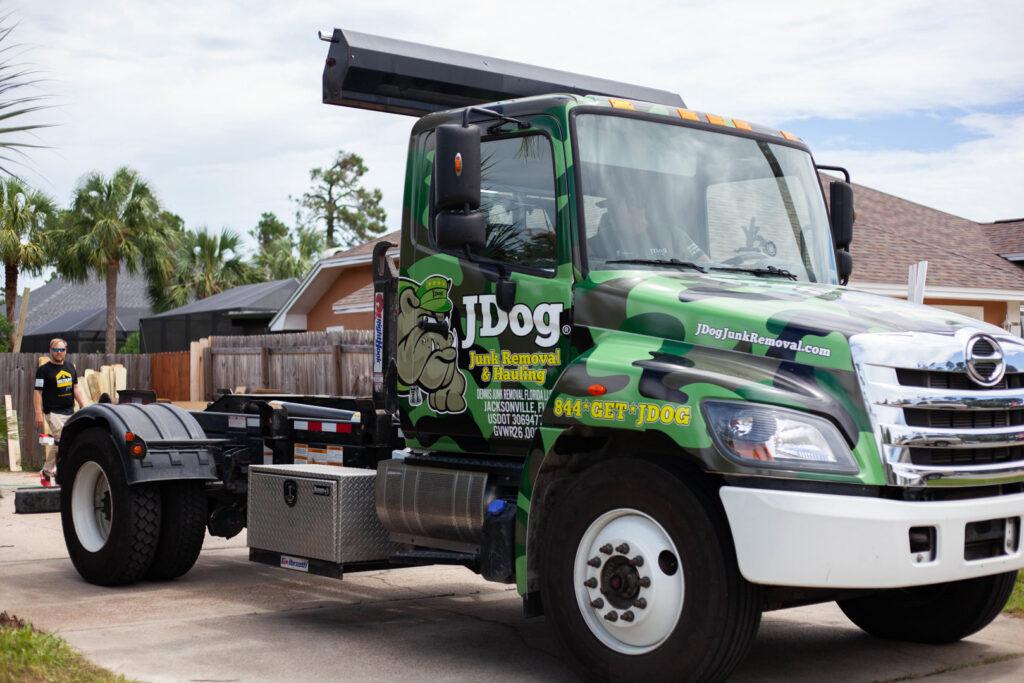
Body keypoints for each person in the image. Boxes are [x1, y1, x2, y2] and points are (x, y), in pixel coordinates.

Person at [33, 338, 87, 486]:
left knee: (67, 442)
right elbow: (38, 393)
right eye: (56, 350)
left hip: (70, 411)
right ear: (51, 351)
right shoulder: (43, 370)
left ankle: (51, 471)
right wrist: (39, 413)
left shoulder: (70, 367)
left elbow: (75, 388)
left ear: (66, 351)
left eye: (61, 349)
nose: (59, 352)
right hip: (53, 412)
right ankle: (52, 472)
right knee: (62, 438)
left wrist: (84, 405)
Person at [591, 198, 708, 263]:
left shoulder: (673, 234)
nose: (609, 219)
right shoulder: (607, 238)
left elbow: (706, 265)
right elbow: (576, 251)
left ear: (630, 211)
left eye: (612, 211)